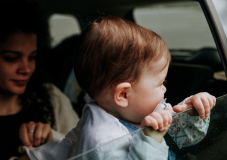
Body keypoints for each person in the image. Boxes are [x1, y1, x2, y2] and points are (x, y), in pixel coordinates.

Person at [21, 16, 216, 160]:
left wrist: (192, 111)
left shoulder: (135, 111)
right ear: (123, 94)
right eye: (160, 84)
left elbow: (182, 137)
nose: (165, 90)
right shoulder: (101, 142)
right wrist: (151, 140)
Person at [0, 1, 79, 160]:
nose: (26, 69)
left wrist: (53, 140)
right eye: (12, 58)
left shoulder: (51, 97)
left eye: (32, 57)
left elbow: (88, 147)